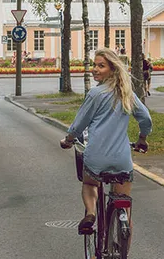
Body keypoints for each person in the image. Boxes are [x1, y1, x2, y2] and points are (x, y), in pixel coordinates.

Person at [59, 47, 153, 247]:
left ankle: (91, 214)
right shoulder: (127, 94)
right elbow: (145, 118)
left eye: (101, 66)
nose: (94, 69)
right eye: (94, 65)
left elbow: (79, 124)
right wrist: (142, 138)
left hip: (96, 157)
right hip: (122, 159)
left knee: (90, 184)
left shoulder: (95, 94)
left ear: (113, 69)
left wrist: (68, 140)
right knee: (124, 204)